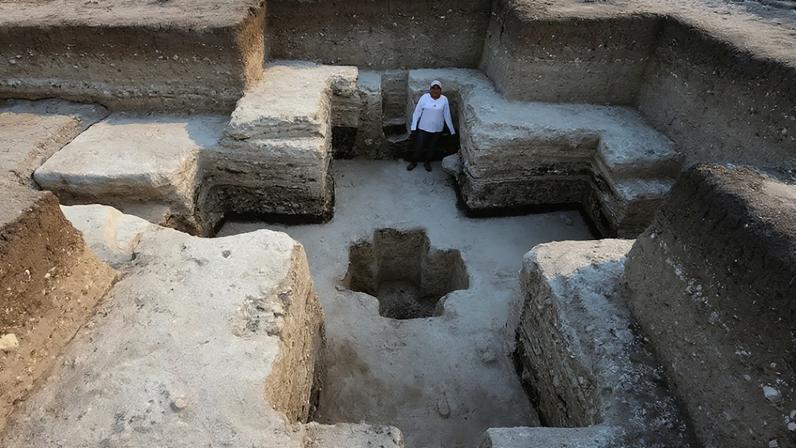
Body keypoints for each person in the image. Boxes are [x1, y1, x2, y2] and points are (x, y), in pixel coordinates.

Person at [407, 80, 456, 172]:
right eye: (433, 88)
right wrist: (413, 127)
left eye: (438, 88)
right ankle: (413, 162)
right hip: (423, 128)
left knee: (432, 147)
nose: (435, 90)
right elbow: (417, 113)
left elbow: (447, 115)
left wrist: (452, 131)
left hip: (437, 129)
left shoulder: (444, 99)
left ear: (441, 90)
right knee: (418, 146)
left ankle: (427, 162)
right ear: (430, 89)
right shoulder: (424, 98)